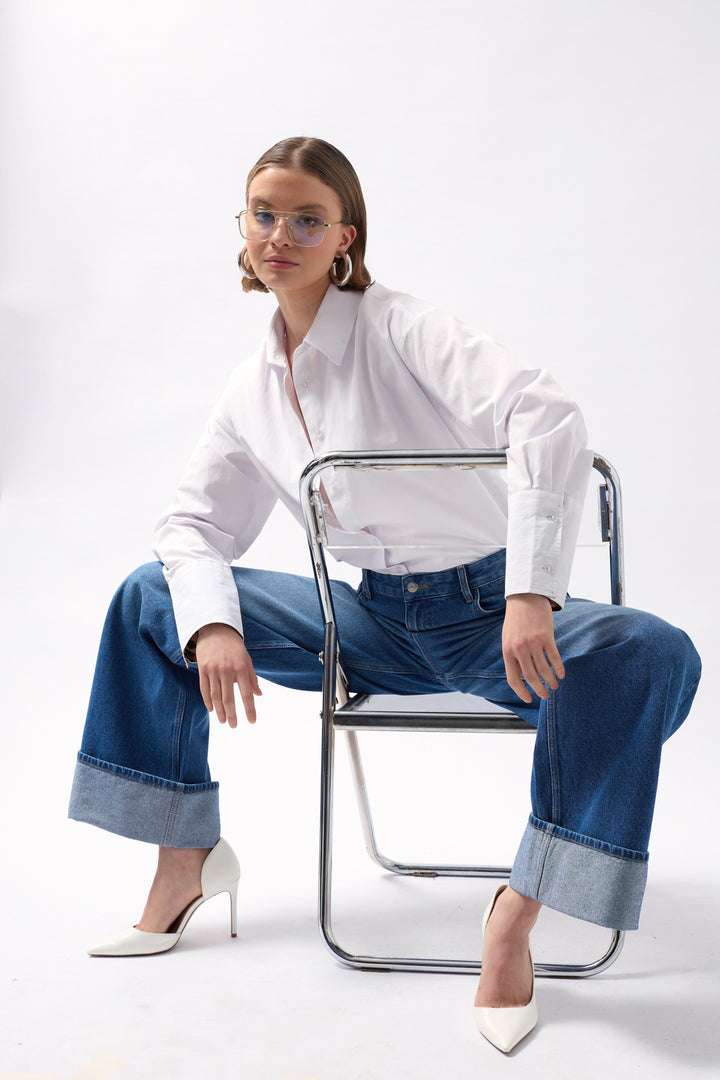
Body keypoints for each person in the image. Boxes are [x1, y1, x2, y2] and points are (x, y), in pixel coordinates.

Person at [69, 136, 701, 1053]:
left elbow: (544, 412)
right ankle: (185, 857)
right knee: (149, 599)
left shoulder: (401, 328)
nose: (280, 234)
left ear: (345, 238)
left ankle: (517, 914)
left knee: (654, 653)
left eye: (306, 220)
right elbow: (190, 525)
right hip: (362, 620)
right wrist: (212, 625)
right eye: (263, 215)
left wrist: (533, 594)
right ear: (242, 228)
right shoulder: (251, 388)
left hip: (489, 619)